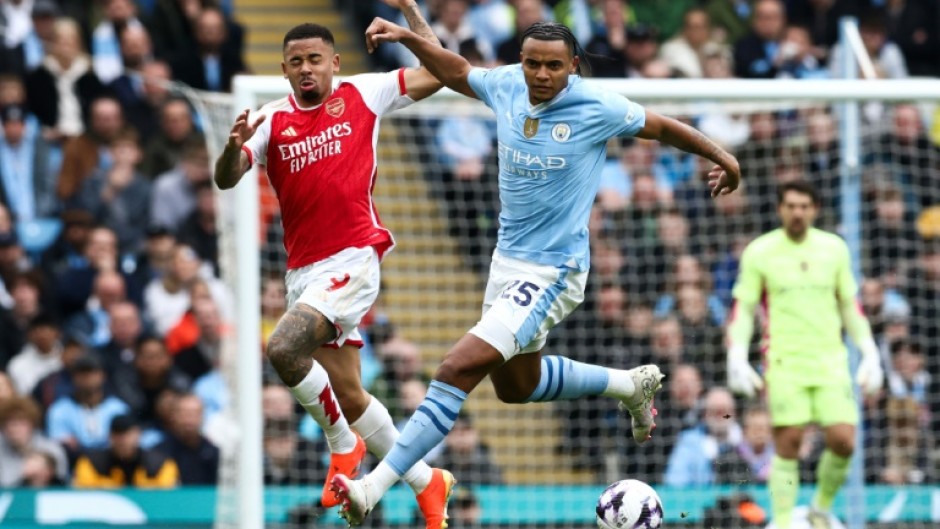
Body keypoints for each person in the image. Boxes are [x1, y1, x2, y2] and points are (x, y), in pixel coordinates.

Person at [333, 18, 741, 525]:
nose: (541, 74)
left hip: (555, 272)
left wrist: (723, 157)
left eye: (553, 65)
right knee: (515, 387)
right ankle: (627, 385)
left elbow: (661, 127)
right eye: (532, 63)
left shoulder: (597, 105)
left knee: (455, 368)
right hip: (506, 266)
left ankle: (373, 487)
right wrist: (411, 37)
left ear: (572, 66)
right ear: (521, 61)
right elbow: (457, 71)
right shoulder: (506, 85)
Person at [211, 2, 451, 526]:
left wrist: (410, 18)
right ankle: (428, 482)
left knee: (281, 347)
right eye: (295, 61)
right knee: (350, 393)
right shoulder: (271, 119)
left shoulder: (363, 93)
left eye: (314, 59)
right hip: (304, 273)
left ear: (334, 63)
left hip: (353, 257)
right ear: (284, 69)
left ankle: (342, 446)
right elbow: (227, 179)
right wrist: (231, 150)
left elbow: (441, 71)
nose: (305, 69)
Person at [725, 180, 884, 529]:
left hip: (831, 361)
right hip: (784, 362)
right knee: (789, 443)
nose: (797, 212)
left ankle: (819, 509)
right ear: (780, 209)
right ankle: (783, 521)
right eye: (791, 205)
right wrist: (736, 355)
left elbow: (849, 305)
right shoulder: (760, 252)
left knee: (844, 440)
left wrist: (870, 352)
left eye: (804, 206)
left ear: (814, 209)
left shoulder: (835, 249)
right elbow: (745, 307)